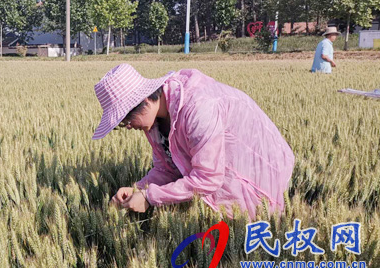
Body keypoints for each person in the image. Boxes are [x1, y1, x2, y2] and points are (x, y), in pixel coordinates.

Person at [93, 64, 294, 220]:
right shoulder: (154, 121)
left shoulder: (198, 108)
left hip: (257, 166)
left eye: (127, 119)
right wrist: (138, 189)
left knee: (251, 221)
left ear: (145, 101)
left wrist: (150, 198)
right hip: (223, 170)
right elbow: (167, 168)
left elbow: (208, 178)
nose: (128, 126)